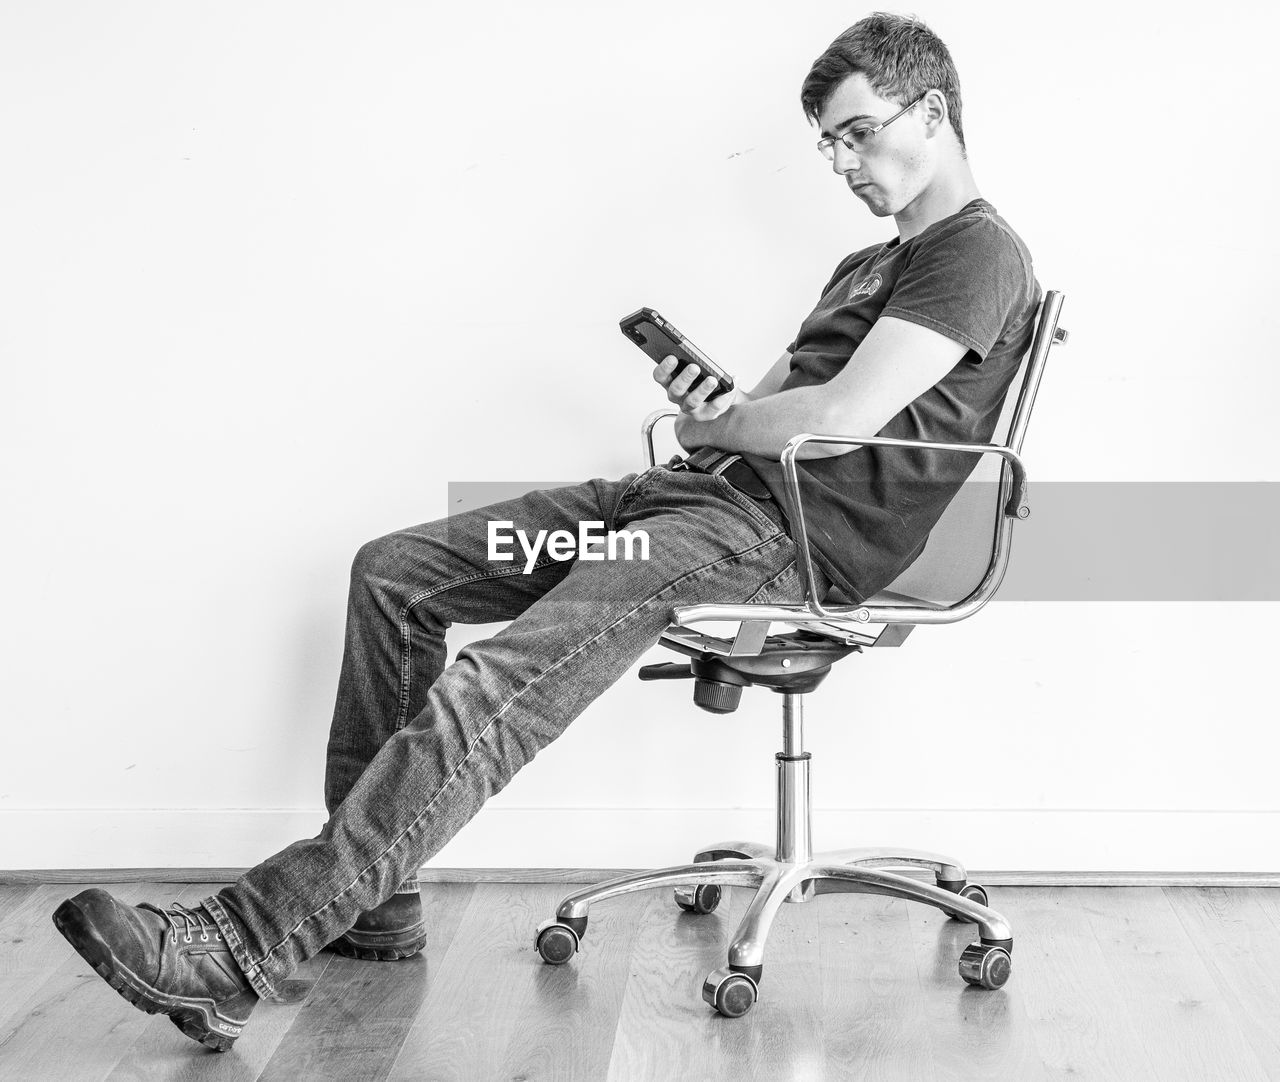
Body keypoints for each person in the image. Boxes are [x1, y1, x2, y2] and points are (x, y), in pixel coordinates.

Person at [52, 12, 1041, 1051]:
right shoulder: (864, 264)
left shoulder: (975, 256)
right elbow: (779, 407)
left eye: (853, 133)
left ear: (929, 111)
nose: (839, 162)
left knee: (502, 683)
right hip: (687, 500)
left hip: (769, 538)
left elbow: (836, 422)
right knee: (396, 575)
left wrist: (726, 422)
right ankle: (372, 904)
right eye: (826, 144)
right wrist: (716, 413)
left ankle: (243, 941)